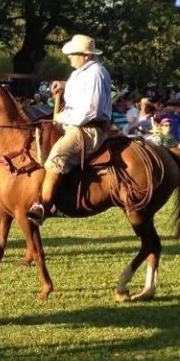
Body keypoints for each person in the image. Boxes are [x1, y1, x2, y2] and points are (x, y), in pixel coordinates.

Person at [28, 34, 112, 226]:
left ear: (86, 55)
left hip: (88, 129)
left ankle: (43, 206)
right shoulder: (80, 73)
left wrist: (61, 117)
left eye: (73, 54)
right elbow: (78, 88)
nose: (70, 57)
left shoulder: (96, 73)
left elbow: (91, 110)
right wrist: (63, 85)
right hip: (73, 125)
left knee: (58, 154)